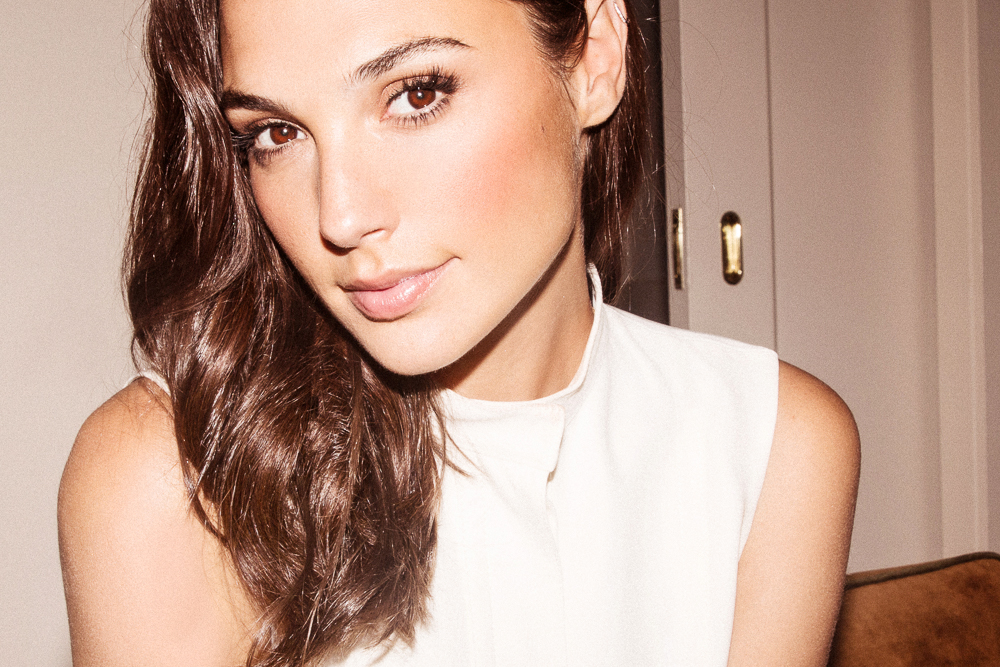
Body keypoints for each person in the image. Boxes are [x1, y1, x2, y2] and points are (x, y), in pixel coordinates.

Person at [58, 0, 860, 665]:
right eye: (275, 132)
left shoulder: (773, 445)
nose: (341, 214)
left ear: (594, 57)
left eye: (416, 94)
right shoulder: (177, 480)